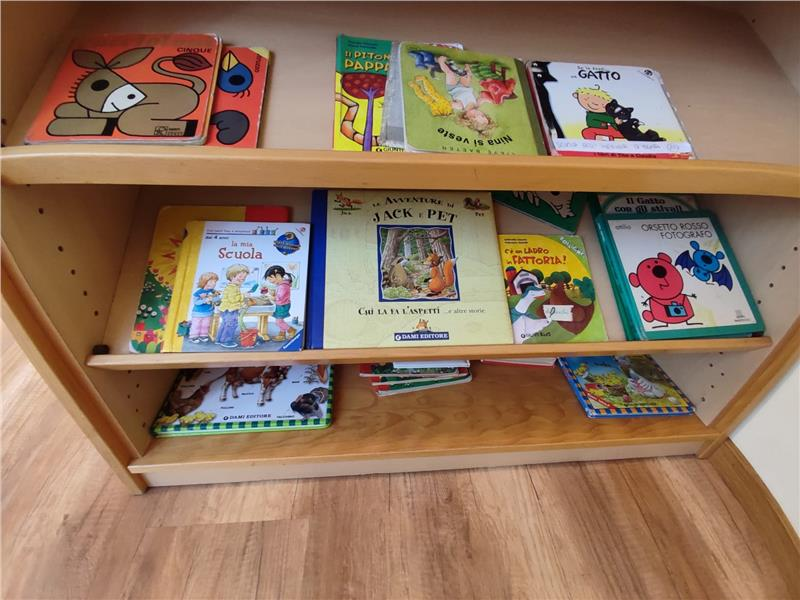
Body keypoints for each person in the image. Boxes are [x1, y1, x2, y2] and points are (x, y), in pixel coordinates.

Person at [436, 55, 494, 135]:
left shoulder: (461, 106)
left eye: (474, 116)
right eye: (482, 115)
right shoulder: (476, 105)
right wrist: (489, 100)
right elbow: (482, 99)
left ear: (467, 117)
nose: (477, 113)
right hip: (465, 87)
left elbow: (448, 104)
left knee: (450, 73)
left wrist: (446, 109)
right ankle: (467, 66)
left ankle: (441, 61)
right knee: (467, 75)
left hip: (453, 88)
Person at [216, 264, 249, 349]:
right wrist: (243, 295)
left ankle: (219, 339)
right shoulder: (232, 288)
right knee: (231, 325)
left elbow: (234, 299)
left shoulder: (233, 286)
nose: (242, 279)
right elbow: (233, 299)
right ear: (232, 276)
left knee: (225, 324)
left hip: (226, 309)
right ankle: (226, 341)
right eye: (240, 277)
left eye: (244, 278)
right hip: (230, 310)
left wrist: (241, 304)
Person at [262, 265, 297, 342]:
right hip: (282, 305)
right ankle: (282, 334)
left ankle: (291, 330)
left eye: (270, 279)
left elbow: (279, 298)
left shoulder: (283, 286)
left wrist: (269, 296)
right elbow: (279, 295)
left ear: (277, 275)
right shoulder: (281, 285)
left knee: (279, 322)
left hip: (282, 306)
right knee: (280, 320)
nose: (270, 281)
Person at [189, 272, 218, 343]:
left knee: (206, 325)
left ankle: (203, 335)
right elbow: (196, 302)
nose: (214, 283)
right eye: (211, 281)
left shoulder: (213, 291)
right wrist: (204, 300)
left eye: (215, 281)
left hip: (208, 312)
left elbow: (217, 299)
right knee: (196, 325)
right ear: (204, 282)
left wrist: (214, 299)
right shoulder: (199, 292)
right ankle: (194, 336)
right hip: (198, 313)